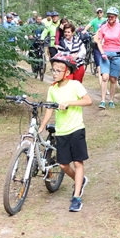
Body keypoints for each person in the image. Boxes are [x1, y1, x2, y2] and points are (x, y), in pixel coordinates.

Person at [39, 52, 92, 212]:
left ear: (67, 72)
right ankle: (80, 180)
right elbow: (49, 108)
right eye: (53, 70)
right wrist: (42, 126)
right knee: (63, 165)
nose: (54, 73)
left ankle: (76, 197)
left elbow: (88, 101)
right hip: (61, 131)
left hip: (76, 129)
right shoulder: (52, 89)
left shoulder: (75, 85)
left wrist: (69, 102)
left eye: (58, 70)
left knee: (78, 163)